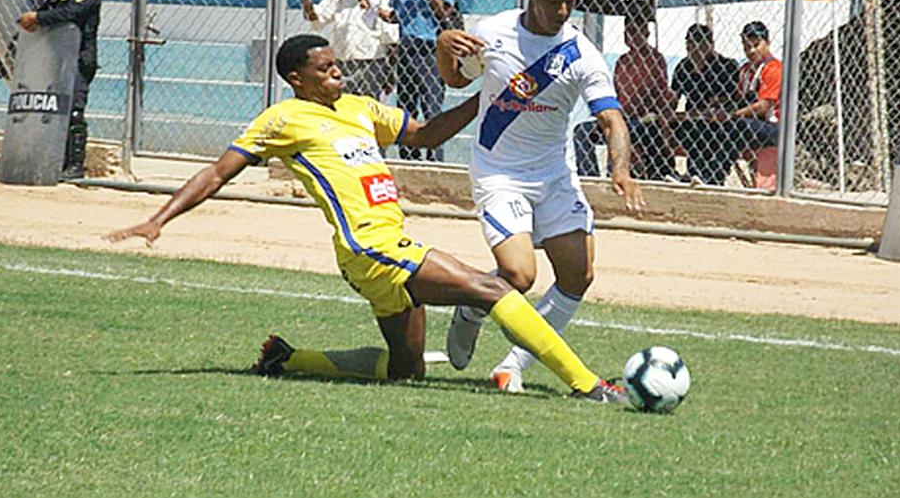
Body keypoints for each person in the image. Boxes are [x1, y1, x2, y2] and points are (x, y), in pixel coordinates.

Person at [107, 34, 627, 404]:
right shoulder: (283, 119)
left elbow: (423, 134)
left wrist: (484, 99)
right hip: (369, 247)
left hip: (380, 248)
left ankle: (289, 359)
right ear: (297, 78)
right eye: (325, 67)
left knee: (407, 371)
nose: (338, 71)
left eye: (337, 64)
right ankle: (587, 384)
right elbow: (218, 172)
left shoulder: (359, 108)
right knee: (493, 290)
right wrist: (159, 219)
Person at [436, 0, 646, 393]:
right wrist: (444, 48)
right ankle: (473, 307)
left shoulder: (581, 54)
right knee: (518, 276)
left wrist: (620, 169)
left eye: (571, 1)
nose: (563, 11)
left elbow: (612, 119)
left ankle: (512, 366)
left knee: (578, 275)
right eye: (554, 1)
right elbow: (457, 81)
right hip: (499, 172)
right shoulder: (493, 33)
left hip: (554, 175)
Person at [18, 0, 102, 180]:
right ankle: (55, 158)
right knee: (54, 108)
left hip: (79, 59)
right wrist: (36, 20)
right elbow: (48, 10)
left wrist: (38, 18)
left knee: (74, 109)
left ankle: (75, 165)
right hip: (56, 57)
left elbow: (70, 13)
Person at [383, 0, 458, 161]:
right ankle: (409, 158)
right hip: (407, 48)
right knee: (406, 109)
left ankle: (435, 160)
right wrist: (387, 15)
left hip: (432, 51)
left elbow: (443, 12)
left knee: (432, 109)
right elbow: (399, 11)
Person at [572, 17, 677, 180]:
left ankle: (619, 172)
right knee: (582, 132)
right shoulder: (623, 61)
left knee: (633, 128)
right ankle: (589, 175)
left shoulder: (655, 59)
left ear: (646, 33)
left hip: (643, 119)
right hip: (622, 116)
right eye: (628, 32)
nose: (631, 36)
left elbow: (658, 95)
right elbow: (617, 95)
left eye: (636, 32)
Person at [680, 21, 782, 186]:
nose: (751, 51)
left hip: (772, 126)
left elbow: (764, 106)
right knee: (710, 126)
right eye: (747, 46)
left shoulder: (773, 68)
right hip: (749, 122)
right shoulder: (745, 70)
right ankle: (697, 171)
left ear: (767, 43)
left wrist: (732, 114)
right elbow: (738, 99)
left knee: (732, 126)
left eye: (756, 45)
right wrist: (720, 106)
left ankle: (713, 175)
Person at [300, 0, 398, 101]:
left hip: (371, 64)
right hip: (343, 64)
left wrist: (390, 73)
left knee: (369, 107)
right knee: (342, 106)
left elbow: (392, 40)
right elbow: (313, 17)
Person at [671, 24, 741, 182]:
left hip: (717, 122)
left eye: (700, 43)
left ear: (710, 45)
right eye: (690, 44)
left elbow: (726, 103)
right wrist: (668, 113)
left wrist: (698, 113)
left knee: (703, 128)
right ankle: (667, 173)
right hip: (691, 119)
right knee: (659, 126)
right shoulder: (683, 67)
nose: (695, 49)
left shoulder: (725, 66)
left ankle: (707, 178)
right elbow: (673, 99)